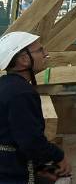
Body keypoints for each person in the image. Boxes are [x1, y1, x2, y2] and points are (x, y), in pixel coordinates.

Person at [0, 31, 69, 183]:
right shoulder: (21, 93)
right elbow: (31, 142)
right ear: (24, 60)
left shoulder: (6, 85)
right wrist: (58, 156)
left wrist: (40, 167)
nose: (46, 54)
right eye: (40, 50)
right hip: (10, 172)